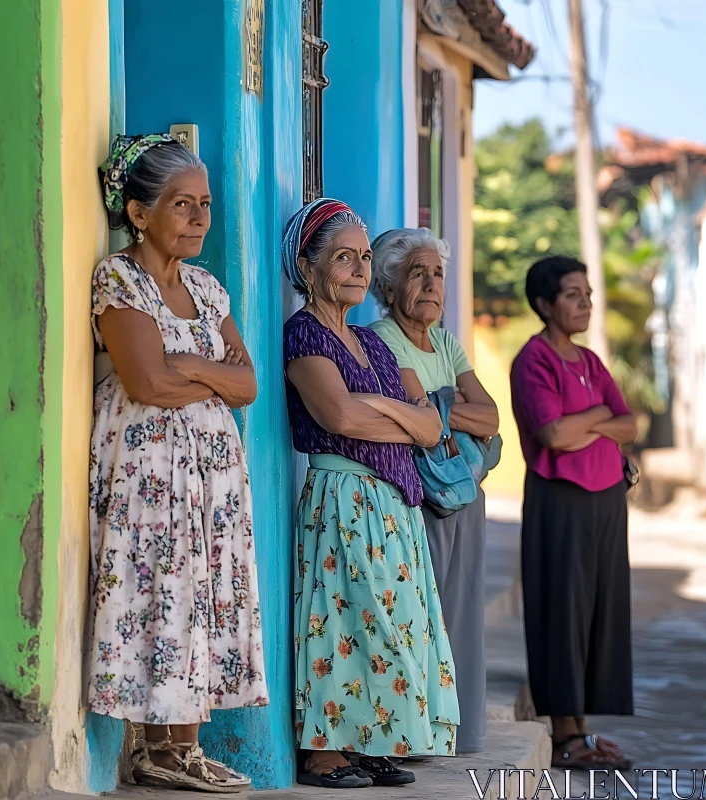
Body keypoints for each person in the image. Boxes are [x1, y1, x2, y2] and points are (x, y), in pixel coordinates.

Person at [86, 134, 267, 792]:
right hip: (150, 468)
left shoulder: (207, 288)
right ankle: (155, 748)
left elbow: (248, 387)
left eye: (205, 204)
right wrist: (207, 371)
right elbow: (147, 384)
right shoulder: (119, 279)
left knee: (202, 593)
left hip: (211, 474)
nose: (198, 218)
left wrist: (187, 366)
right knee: (159, 589)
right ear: (138, 213)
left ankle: (182, 747)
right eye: (182, 204)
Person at [282, 199, 460, 789]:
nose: (358, 269)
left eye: (363, 258)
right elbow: (337, 417)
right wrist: (394, 413)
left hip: (392, 505)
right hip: (344, 498)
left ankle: (371, 739)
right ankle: (327, 752)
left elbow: (433, 426)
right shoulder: (304, 333)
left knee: (393, 625)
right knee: (345, 622)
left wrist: (378, 409)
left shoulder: (373, 343)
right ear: (310, 268)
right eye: (343, 259)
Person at [369, 228, 499, 755]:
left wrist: (442, 408)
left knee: (462, 610)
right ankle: (418, 731)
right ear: (389, 283)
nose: (429, 283)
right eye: (416, 273)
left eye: (437, 273)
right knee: (418, 613)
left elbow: (488, 416)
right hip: (417, 495)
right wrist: (446, 411)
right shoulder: (381, 338)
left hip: (464, 494)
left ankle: (458, 732)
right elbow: (419, 414)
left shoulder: (445, 342)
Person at [510, 256, 637, 770]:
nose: (585, 303)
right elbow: (553, 436)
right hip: (560, 500)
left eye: (587, 293)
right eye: (572, 294)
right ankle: (563, 736)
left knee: (601, 611)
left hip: (607, 499)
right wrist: (601, 417)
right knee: (562, 611)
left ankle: (583, 730)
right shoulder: (533, 361)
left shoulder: (590, 362)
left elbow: (631, 424)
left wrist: (594, 423)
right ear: (544, 304)